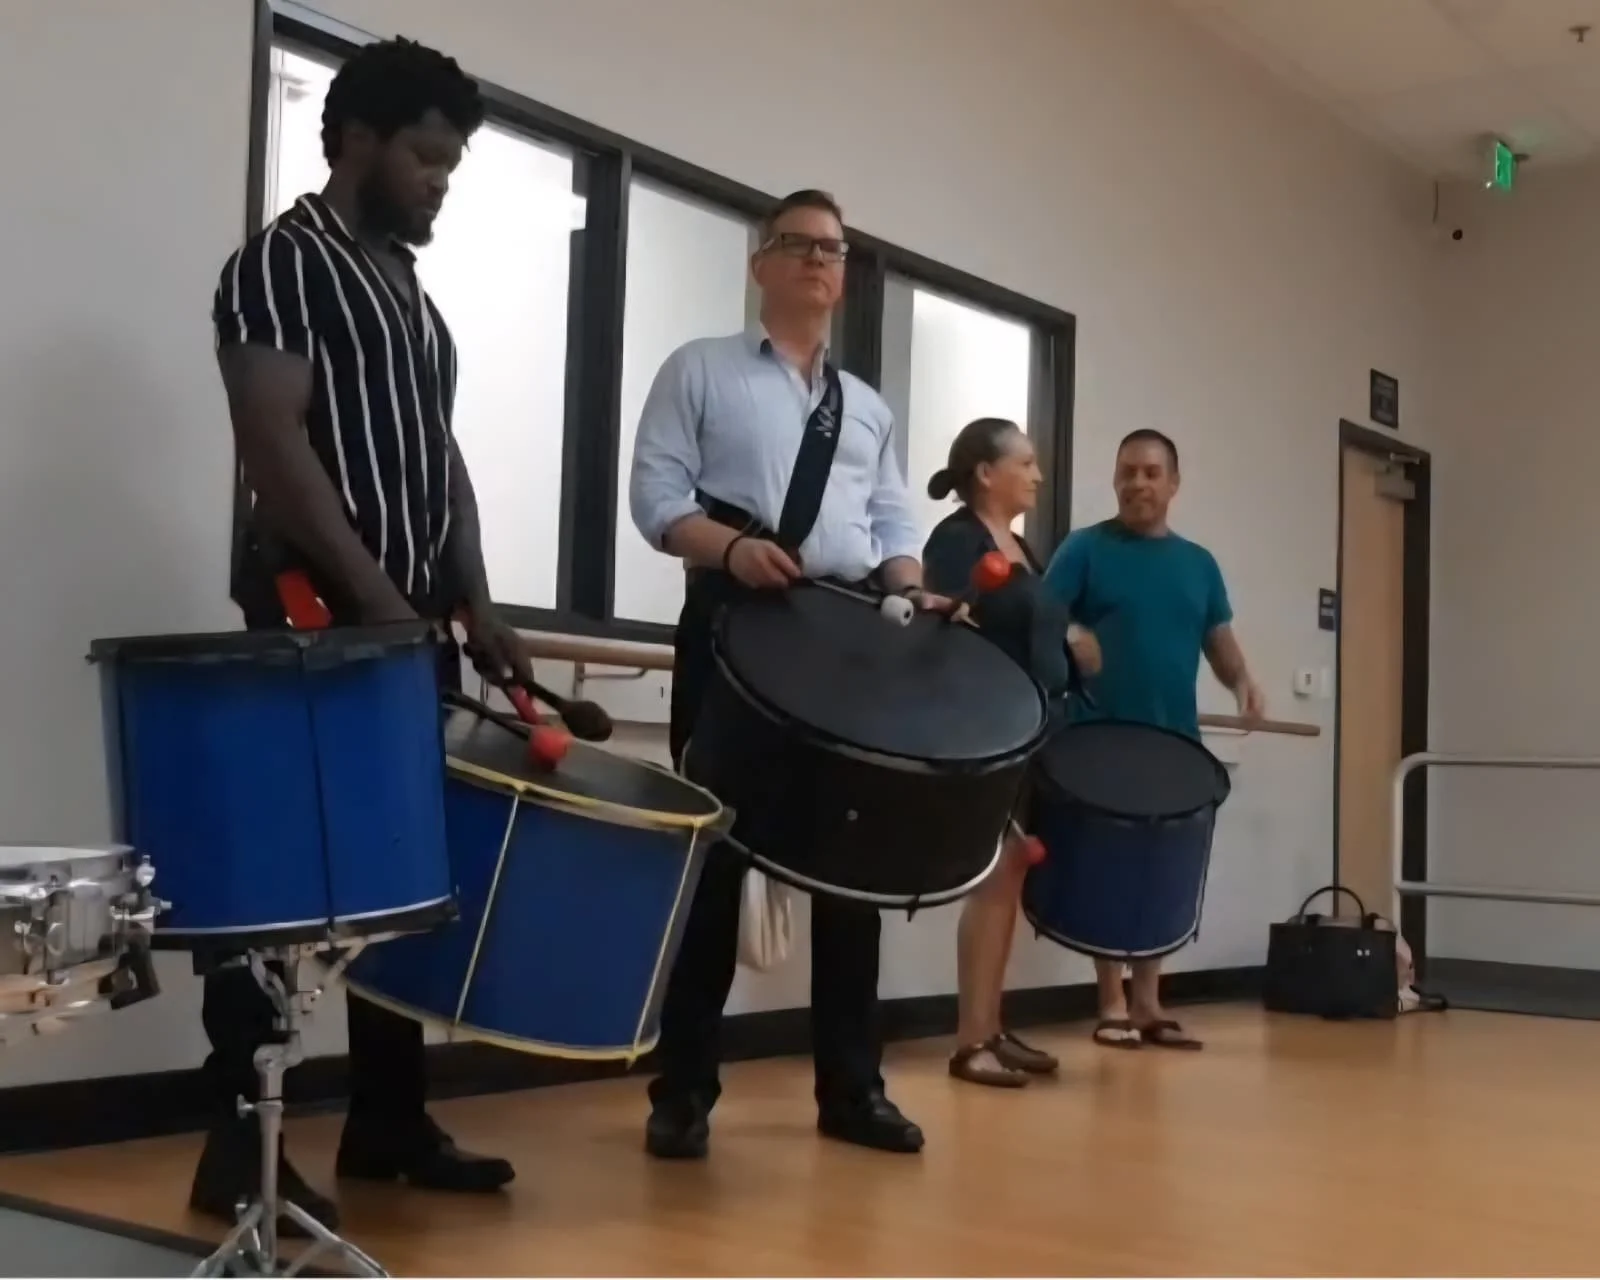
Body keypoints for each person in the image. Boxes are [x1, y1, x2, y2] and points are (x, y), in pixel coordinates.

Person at [196, 38, 521, 1230]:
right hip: (312, 614)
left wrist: (474, 601)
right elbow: (274, 448)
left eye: (452, 163)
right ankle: (239, 1137)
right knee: (287, 867)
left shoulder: (407, 293)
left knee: (396, 868)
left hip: (402, 625)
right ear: (359, 142)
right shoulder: (283, 263)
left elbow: (437, 457)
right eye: (428, 157)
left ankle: (388, 1114)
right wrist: (380, 602)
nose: (441, 180)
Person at [629, 189, 954, 1160]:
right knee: (712, 856)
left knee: (854, 866)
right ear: (761, 263)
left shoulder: (869, 409)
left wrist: (909, 582)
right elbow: (654, 494)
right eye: (800, 244)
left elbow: (891, 522)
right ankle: (681, 1090)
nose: (819, 261)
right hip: (732, 623)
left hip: (845, 633)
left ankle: (852, 1087)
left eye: (834, 249)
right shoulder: (700, 369)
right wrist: (728, 551)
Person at [1041, 428, 1264, 1050]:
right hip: (1099, 737)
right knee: (1107, 866)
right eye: (1127, 472)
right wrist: (1072, 634)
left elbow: (1217, 641)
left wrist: (1243, 680)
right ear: (1115, 480)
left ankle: (1149, 1003)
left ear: (1173, 484)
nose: (1138, 483)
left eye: (1150, 472)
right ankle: (1110, 1002)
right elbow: (1042, 614)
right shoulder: (1084, 549)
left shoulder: (1199, 565)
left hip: (1174, 743)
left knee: (1160, 867)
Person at [921, 417, 1101, 1088]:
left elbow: (1042, 633)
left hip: (1036, 729)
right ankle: (971, 1042)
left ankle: (990, 1027)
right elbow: (947, 621)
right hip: (986, 730)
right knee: (997, 877)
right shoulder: (957, 539)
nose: (1037, 474)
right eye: (1025, 462)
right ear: (986, 474)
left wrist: (1079, 649)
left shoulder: (1025, 549)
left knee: (1012, 876)